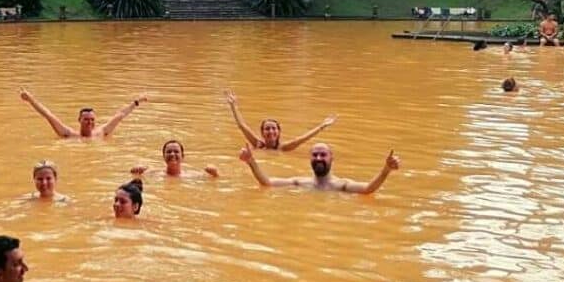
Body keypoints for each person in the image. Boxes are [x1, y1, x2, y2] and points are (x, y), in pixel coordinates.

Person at [239, 141, 400, 194]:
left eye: (323, 155)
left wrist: (386, 169)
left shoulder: (341, 186)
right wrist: (251, 161)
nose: (318, 158)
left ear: (332, 158)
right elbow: (267, 183)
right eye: (315, 155)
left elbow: (368, 189)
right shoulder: (299, 183)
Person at [224, 90, 336, 151]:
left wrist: (322, 126)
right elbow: (242, 126)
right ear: (262, 132)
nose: (271, 131)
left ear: (279, 132)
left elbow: (303, 139)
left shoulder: (283, 148)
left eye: (274, 128)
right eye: (267, 129)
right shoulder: (258, 144)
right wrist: (233, 106)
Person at [20, 88, 149, 139]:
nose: (90, 122)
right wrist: (30, 99)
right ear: (79, 120)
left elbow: (120, 115)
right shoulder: (69, 134)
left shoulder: (102, 132)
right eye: (86, 119)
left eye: (92, 120)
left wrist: (137, 101)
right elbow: (48, 114)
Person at [131, 139, 219, 179]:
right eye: (169, 152)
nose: (172, 154)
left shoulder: (192, 176)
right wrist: (135, 170)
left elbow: (215, 179)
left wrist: (215, 173)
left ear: (182, 156)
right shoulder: (153, 174)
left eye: (176, 152)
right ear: (163, 156)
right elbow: (133, 174)